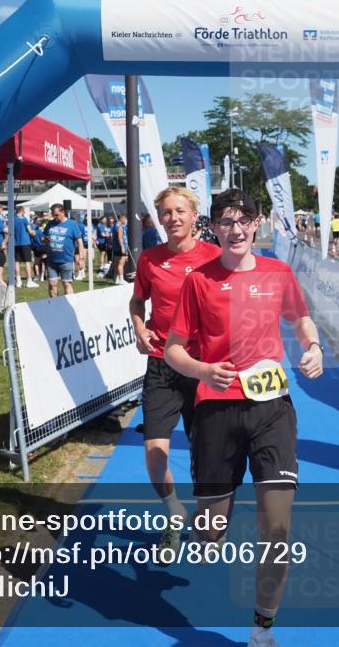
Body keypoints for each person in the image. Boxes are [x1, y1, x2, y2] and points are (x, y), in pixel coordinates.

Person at [165, 188, 323, 647]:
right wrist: (203, 371)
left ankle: (262, 629)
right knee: (211, 535)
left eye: (244, 221)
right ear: (212, 227)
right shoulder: (199, 280)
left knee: (277, 527)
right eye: (226, 222)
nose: (235, 230)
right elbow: (173, 350)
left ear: (257, 224)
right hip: (216, 410)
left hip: (272, 409)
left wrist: (312, 347)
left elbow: (301, 320)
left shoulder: (278, 273)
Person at [129, 187, 222, 558]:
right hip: (162, 363)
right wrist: (139, 328)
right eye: (166, 212)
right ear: (159, 217)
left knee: (208, 455)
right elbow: (137, 300)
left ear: (194, 215)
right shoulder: (150, 259)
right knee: (154, 452)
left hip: (203, 367)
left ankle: (207, 519)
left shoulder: (216, 256)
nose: (174, 218)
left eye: (180, 211)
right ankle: (174, 512)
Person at [44, 203, 84, 297]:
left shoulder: (72, 224)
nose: (55, 217)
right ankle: (54, 306)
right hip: (51, 260)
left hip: (66, 260)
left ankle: (70, 306)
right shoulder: (50, 223)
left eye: (57, 215)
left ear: (63, 212)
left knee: (66, 284)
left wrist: (81, 258)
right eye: (53, 215)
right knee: (52, 283)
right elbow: (44, 237)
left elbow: (80, 241)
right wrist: (45, 239)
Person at [13, 206, 38, 288]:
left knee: (17, 262)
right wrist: (34, 232)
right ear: (22, 211)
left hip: (16, 244)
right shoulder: (24, 219)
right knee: (27, 262)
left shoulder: (12, 219)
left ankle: (18, 281)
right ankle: (29, 281)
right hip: (25, 243)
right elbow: (30, 231)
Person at [112, 213, 130, 284]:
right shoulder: (119, 226)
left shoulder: (116, 225)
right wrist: (122, 247)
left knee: (117, 263)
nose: (125, 219)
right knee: (121, 264)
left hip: (116, 247)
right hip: (120, 247)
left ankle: (116, 278)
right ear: (121, 218)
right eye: (124, 218)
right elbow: (120, 237)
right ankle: (121, 279)